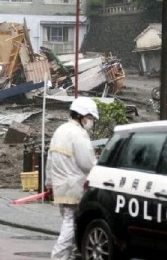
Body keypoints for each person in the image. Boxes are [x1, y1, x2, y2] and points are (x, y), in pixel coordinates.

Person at [45, 97, 99, 260]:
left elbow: (50, 159)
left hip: (61, 186)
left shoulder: (60, 130)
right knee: (70, 221)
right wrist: (99, 170)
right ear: (80, 115)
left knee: (73, 221)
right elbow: (87, 163)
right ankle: (59, 255)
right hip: (75, 186)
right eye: (89, 118)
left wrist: (49, 182)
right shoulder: (78, 133)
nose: (90, 122)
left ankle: (75, 253)